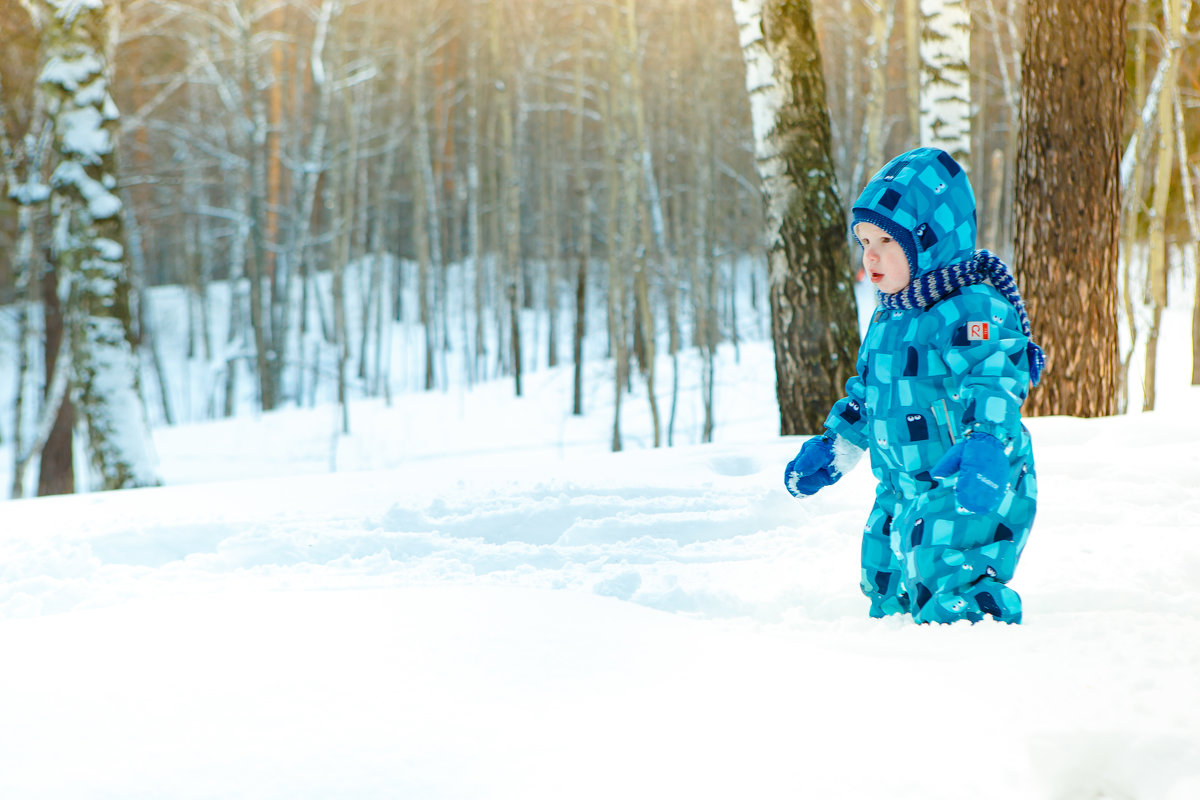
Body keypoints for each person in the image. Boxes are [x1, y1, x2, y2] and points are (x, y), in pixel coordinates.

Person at [784, 147, 1044, 624]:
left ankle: (980, 648)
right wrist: (836, 444)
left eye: (887, 239)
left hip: (966, 478)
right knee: (882, 580)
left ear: (931, 240)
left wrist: (986, 441)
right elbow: (870, 391)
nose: (872, 254)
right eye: (864, 240)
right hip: (900, 484)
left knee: (949, 579)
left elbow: (995, 376)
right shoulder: (890, 314)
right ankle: (894, 655)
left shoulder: (970, 308)